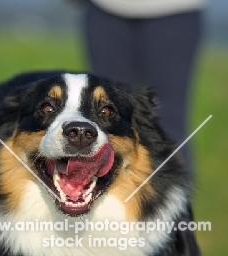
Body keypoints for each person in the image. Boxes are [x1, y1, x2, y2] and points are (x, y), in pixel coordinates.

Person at [84, 0, 205, 168]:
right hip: (105, 9)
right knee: (105, 115)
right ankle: (100, 191)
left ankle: (174, 193)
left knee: (168, 122)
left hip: (175, 11)